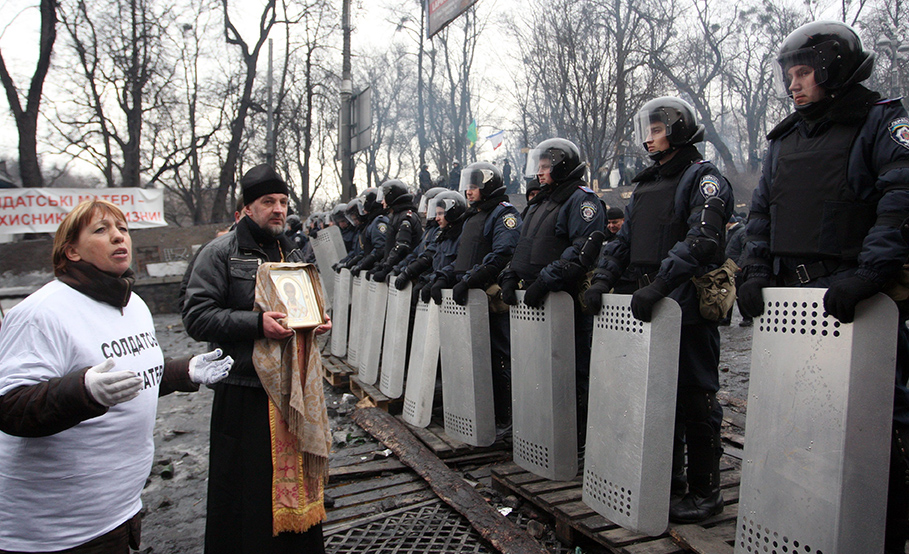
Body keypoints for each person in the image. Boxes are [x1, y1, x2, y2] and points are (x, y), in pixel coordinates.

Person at [735, 21, 909, 553]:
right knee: (798, 423)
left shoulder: (882, 122)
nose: (794, 84)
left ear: (833, 70)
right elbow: (763, 211)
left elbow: (900, 199)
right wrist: (754, 270)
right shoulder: (785, 138)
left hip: (857, 296)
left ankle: (885, 536)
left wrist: (869, 274)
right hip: (793, 295)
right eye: (790, 74)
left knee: (878, 430)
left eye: (804, 73)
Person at [0, 199, 232, 553]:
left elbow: (129, 378)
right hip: (54, 531)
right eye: (101, 230)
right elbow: (10, 406)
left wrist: (182, 371)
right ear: (72, 251)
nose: (118, 237)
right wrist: (83, 390)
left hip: (117, 512)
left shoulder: (132, 304)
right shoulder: (41, 313)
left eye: (122, 229)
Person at [584, 96, 734, 524]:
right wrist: (602, 281)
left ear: (678, 129)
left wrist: (662, 285)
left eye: (655, 129)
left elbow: (702, 241)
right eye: (645, 130)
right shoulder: (646, 185)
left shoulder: (702, 178)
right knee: (655, 397)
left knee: (695, 396)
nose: (648, 138)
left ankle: (707, 493)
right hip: (649, 303)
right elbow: (623, 243)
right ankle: (668, 482)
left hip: (684, 303)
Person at [182, 164, 332, 553]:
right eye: (268, 202)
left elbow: (305, 306)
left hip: (294, 394)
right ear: (247, 208)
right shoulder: (219, 252)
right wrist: (255, 324)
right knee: (248, 502)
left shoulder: (294, 249)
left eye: (283, 202)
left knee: (298, 497)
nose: (278, 209)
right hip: (245, 394)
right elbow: (196, 316)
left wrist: (315, 322)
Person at [499, 137, 605, 447]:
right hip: (536, 300)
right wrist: (510, 275)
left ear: (561, 167)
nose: (540, 172)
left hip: (566, 301)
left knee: (575, 373)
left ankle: (580, 439)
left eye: (545, 167)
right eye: (539, 166)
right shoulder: (540, 202)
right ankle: (546, 432)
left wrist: (546, 280)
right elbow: (523, 247)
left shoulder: (581, 200)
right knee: (539, 371)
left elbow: (583, 248)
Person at [439, 162, 521, 430]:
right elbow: (463, 257)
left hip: (492, 299)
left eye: (474, 186)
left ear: (488, 186)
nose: (468, 191)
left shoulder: (503, 214)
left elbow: (502, 253)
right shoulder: (472, 217)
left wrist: (471, 279)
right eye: (468, 185)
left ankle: (507, 417)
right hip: (470, 297)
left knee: (500, 358)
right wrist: (446, 277)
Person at [367, 180, 423, 283]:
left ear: (391, 197)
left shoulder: (405, 216)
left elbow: (401, 246)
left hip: (404, 274)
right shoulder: (396, 216)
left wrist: (386, 269)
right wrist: (381, 266)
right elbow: (390, 247)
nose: (382, 202)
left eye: (384, 197)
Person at [337, 188, 388, 276]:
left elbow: (380, 249)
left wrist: (363, 265)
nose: (363, 209)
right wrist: (349, 263)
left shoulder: (378, 221)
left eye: (365, 204)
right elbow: (364, 251)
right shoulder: (370, 224)